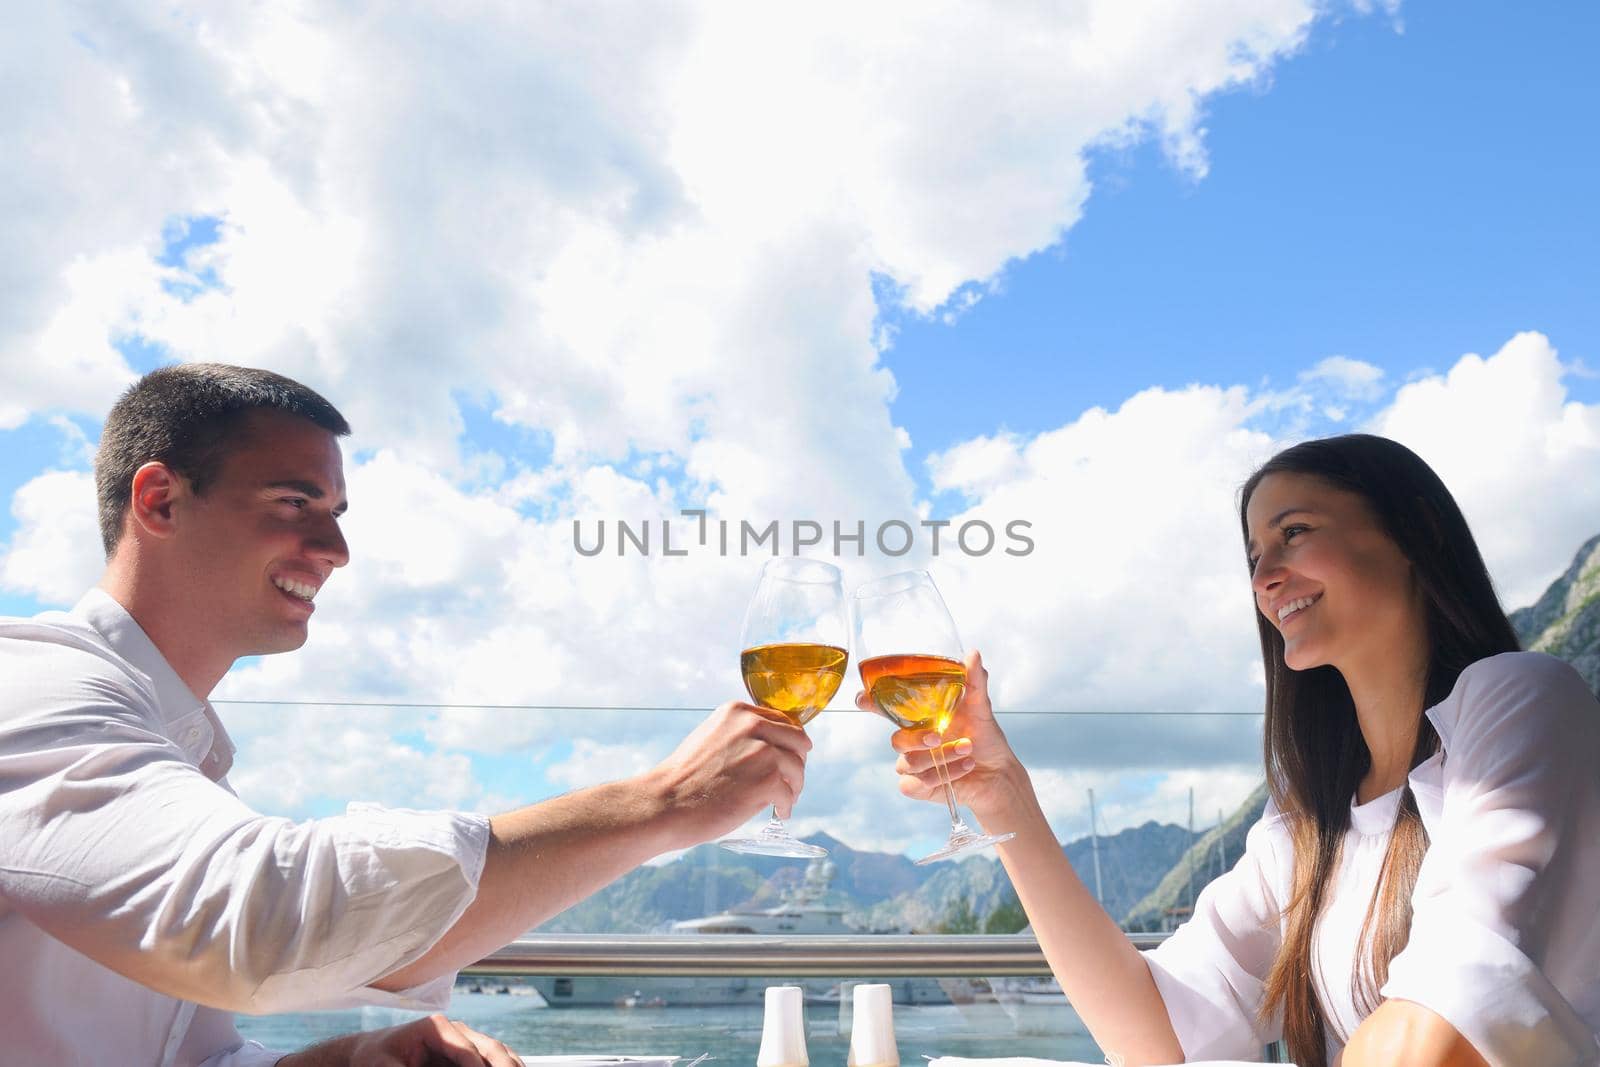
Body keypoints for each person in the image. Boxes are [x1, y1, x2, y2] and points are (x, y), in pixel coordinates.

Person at [0, 364, 812, 1066]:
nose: (335, 548)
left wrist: (348, 1055)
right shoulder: (29, 683)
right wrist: (663, 803)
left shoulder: (175, 747)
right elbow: (251, 914)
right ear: (160, 500)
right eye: (294, 501)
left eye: (337, 514)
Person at [878, 434, 1600, 1067]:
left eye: (1294, 532)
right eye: (1255, 555)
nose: (1264, 578)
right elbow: (1153, 1035)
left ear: (1417, 531)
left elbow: (1445, 1024)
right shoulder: (1309, 820)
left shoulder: (1520, 697)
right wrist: (1006, 799)